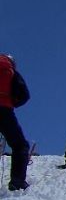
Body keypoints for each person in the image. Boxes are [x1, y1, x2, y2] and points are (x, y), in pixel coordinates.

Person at [0, 54, 31, 191]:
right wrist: (11, 103)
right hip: (4, 111)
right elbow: (24, 95)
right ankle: (17, 182)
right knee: (20, 145)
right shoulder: (11, 72)